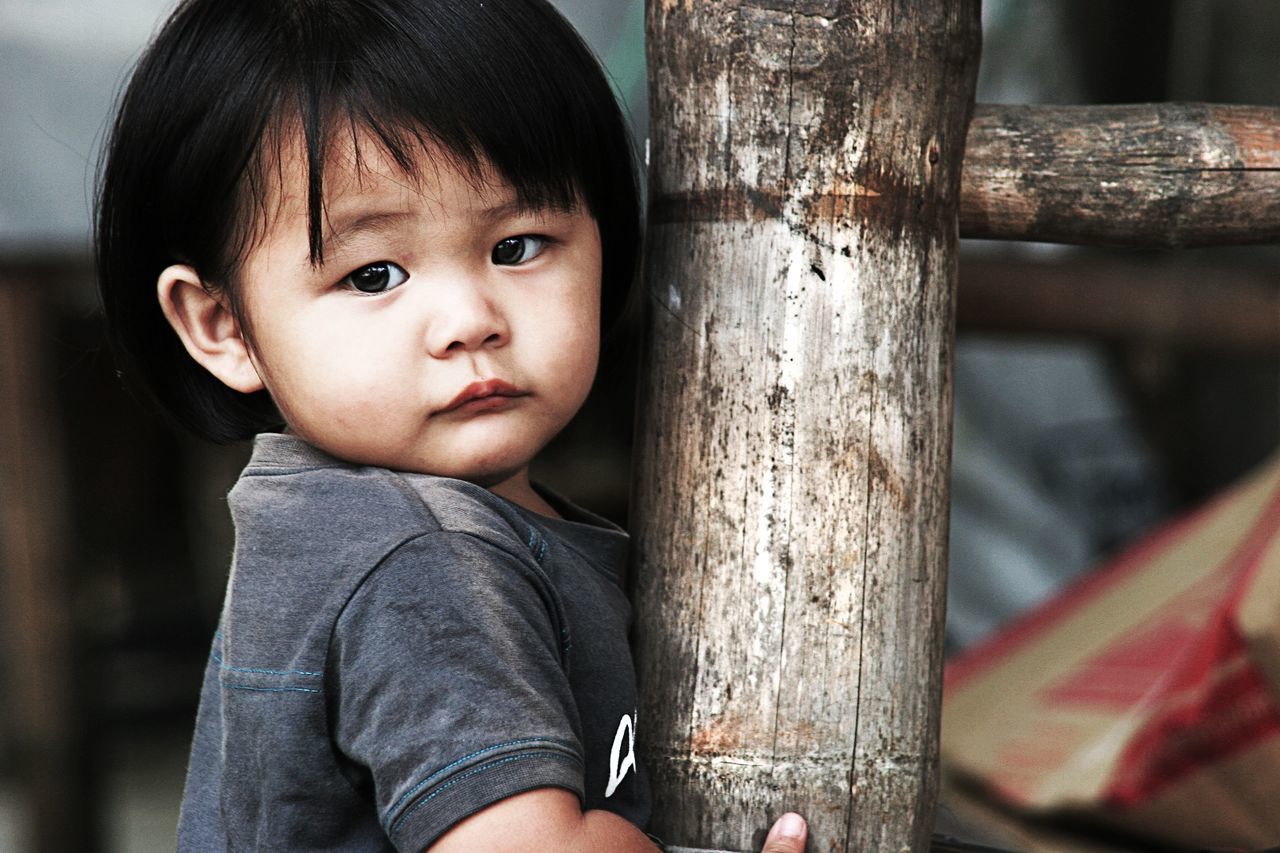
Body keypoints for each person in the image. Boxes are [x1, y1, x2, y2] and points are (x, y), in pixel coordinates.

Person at [96, 0, 809, 850]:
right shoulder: (424, 560)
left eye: (518, 247)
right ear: (222, 324)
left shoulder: (339, 521)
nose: (469, 319)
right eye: (374, 274)